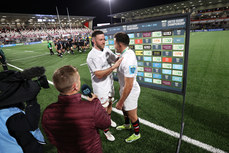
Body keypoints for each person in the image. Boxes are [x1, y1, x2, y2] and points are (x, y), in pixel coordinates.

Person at [42, 65, 111, 153]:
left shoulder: (47, 112)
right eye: (78, 79)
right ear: (75, 86)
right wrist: (96, 102)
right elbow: (106, 123)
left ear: (55, 86)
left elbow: (52, 139)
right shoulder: (92, 107)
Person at [87, 30, 123, 141]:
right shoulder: (91, 56)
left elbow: (116, 59)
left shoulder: (106, 49)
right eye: (100, 39)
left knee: (110, 103)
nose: (103, 41)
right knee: (102, 110)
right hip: (100, 87)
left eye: (104, 39)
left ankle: (109, 120)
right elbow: (98, 75)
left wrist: (124, 54)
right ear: (94, 41)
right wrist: (113, 67)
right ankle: (106, 131)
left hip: (110, 83)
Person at [114, 32, 141, 143]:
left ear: (120, 44)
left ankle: (137, 134)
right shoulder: (125, 53)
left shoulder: (128, 60)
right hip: (124, 88)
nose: (114, 45)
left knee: (131, 114)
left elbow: (129, 85)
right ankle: (127, 125)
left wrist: (120, 102)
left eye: (115, 43)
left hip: (130, 91)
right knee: (125, 110)